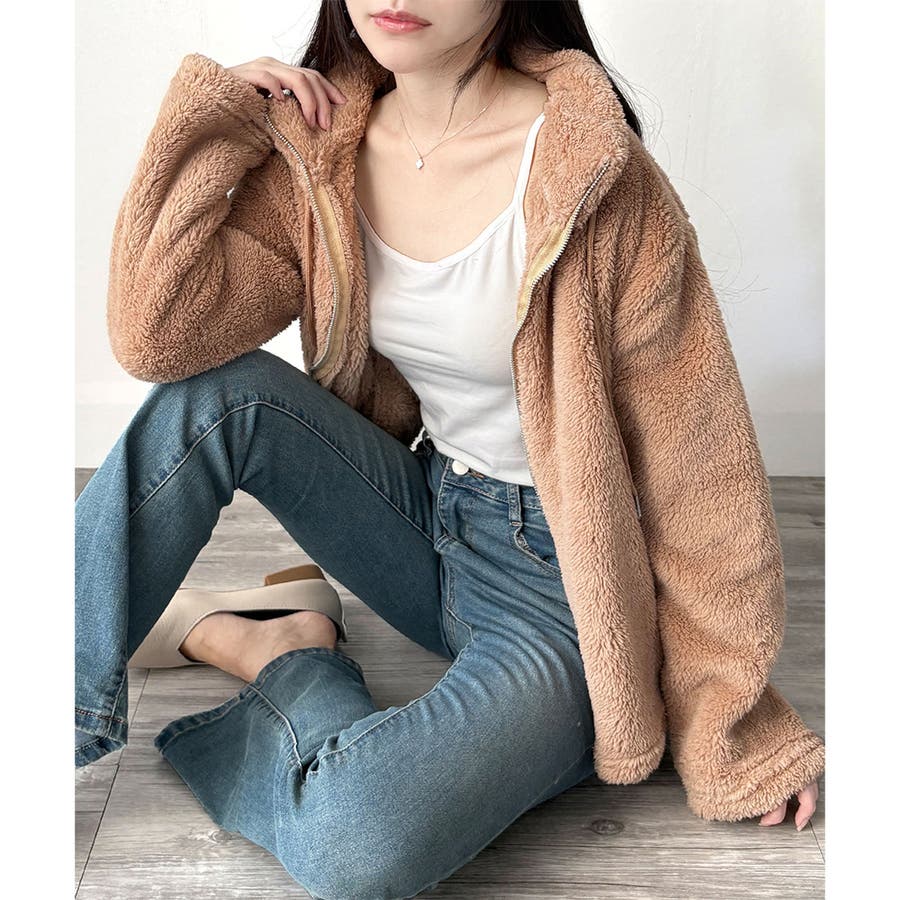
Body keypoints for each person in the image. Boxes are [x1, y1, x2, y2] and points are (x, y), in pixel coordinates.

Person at [75, 1, 825, 897]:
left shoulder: (593, 176)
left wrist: (735, 722)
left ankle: (284, 652)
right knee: (209, 400)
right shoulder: (324, 150)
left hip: (568, 592)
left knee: (356, 841)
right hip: (433, 516)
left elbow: (702, 476)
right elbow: (159, 335)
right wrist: (216, 124)